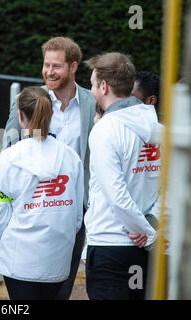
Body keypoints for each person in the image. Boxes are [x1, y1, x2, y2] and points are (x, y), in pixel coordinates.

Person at [3, 36, 96, 299]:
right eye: (46, 65)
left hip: (74, 209)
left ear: (73, 67)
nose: (49, 72)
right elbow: (9, 149)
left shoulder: (92, 103)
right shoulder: (29, 99)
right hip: (32, 208)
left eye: (56, 66)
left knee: (61, 289)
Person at [0, 86, 84, 300]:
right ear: (51, 114)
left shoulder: (9, 158)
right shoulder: (71, 157)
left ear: (20, 116)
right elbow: (76, 216)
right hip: (57, 261)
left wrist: (1, 247)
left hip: (18, 259)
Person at [84, 52, 161, 300]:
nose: (91, 88)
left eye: (93, 82)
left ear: (104, 86)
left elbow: (116, 196)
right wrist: (151, 226)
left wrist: (148, 235)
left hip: (110, 244)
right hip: (145, 245)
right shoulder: (158, 129)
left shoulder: (104, 130)